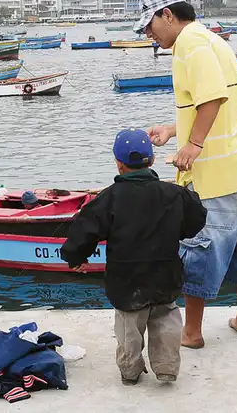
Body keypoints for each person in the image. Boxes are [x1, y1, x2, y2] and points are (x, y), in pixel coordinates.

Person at [135, 0, 237, 349]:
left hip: (215, 174)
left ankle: (192, 333)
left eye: (149, 26)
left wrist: (192, 145)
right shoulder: (213, 40)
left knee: (201, 249)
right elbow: (212, 106)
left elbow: (212, 98)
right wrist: (174, 129)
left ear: (167, 15)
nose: (149, 34)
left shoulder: (188, 47)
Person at [60, 128, 207, 385]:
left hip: (126, 282)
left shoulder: (108, 199)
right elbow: (196, 219)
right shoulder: (175, 194)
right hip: (165, 276)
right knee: (166, 320)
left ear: (118, 163)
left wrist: (76, 257)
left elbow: (84, 229)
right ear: (151, 161)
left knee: (129, 329)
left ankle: (130, 372)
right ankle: (166, 367)